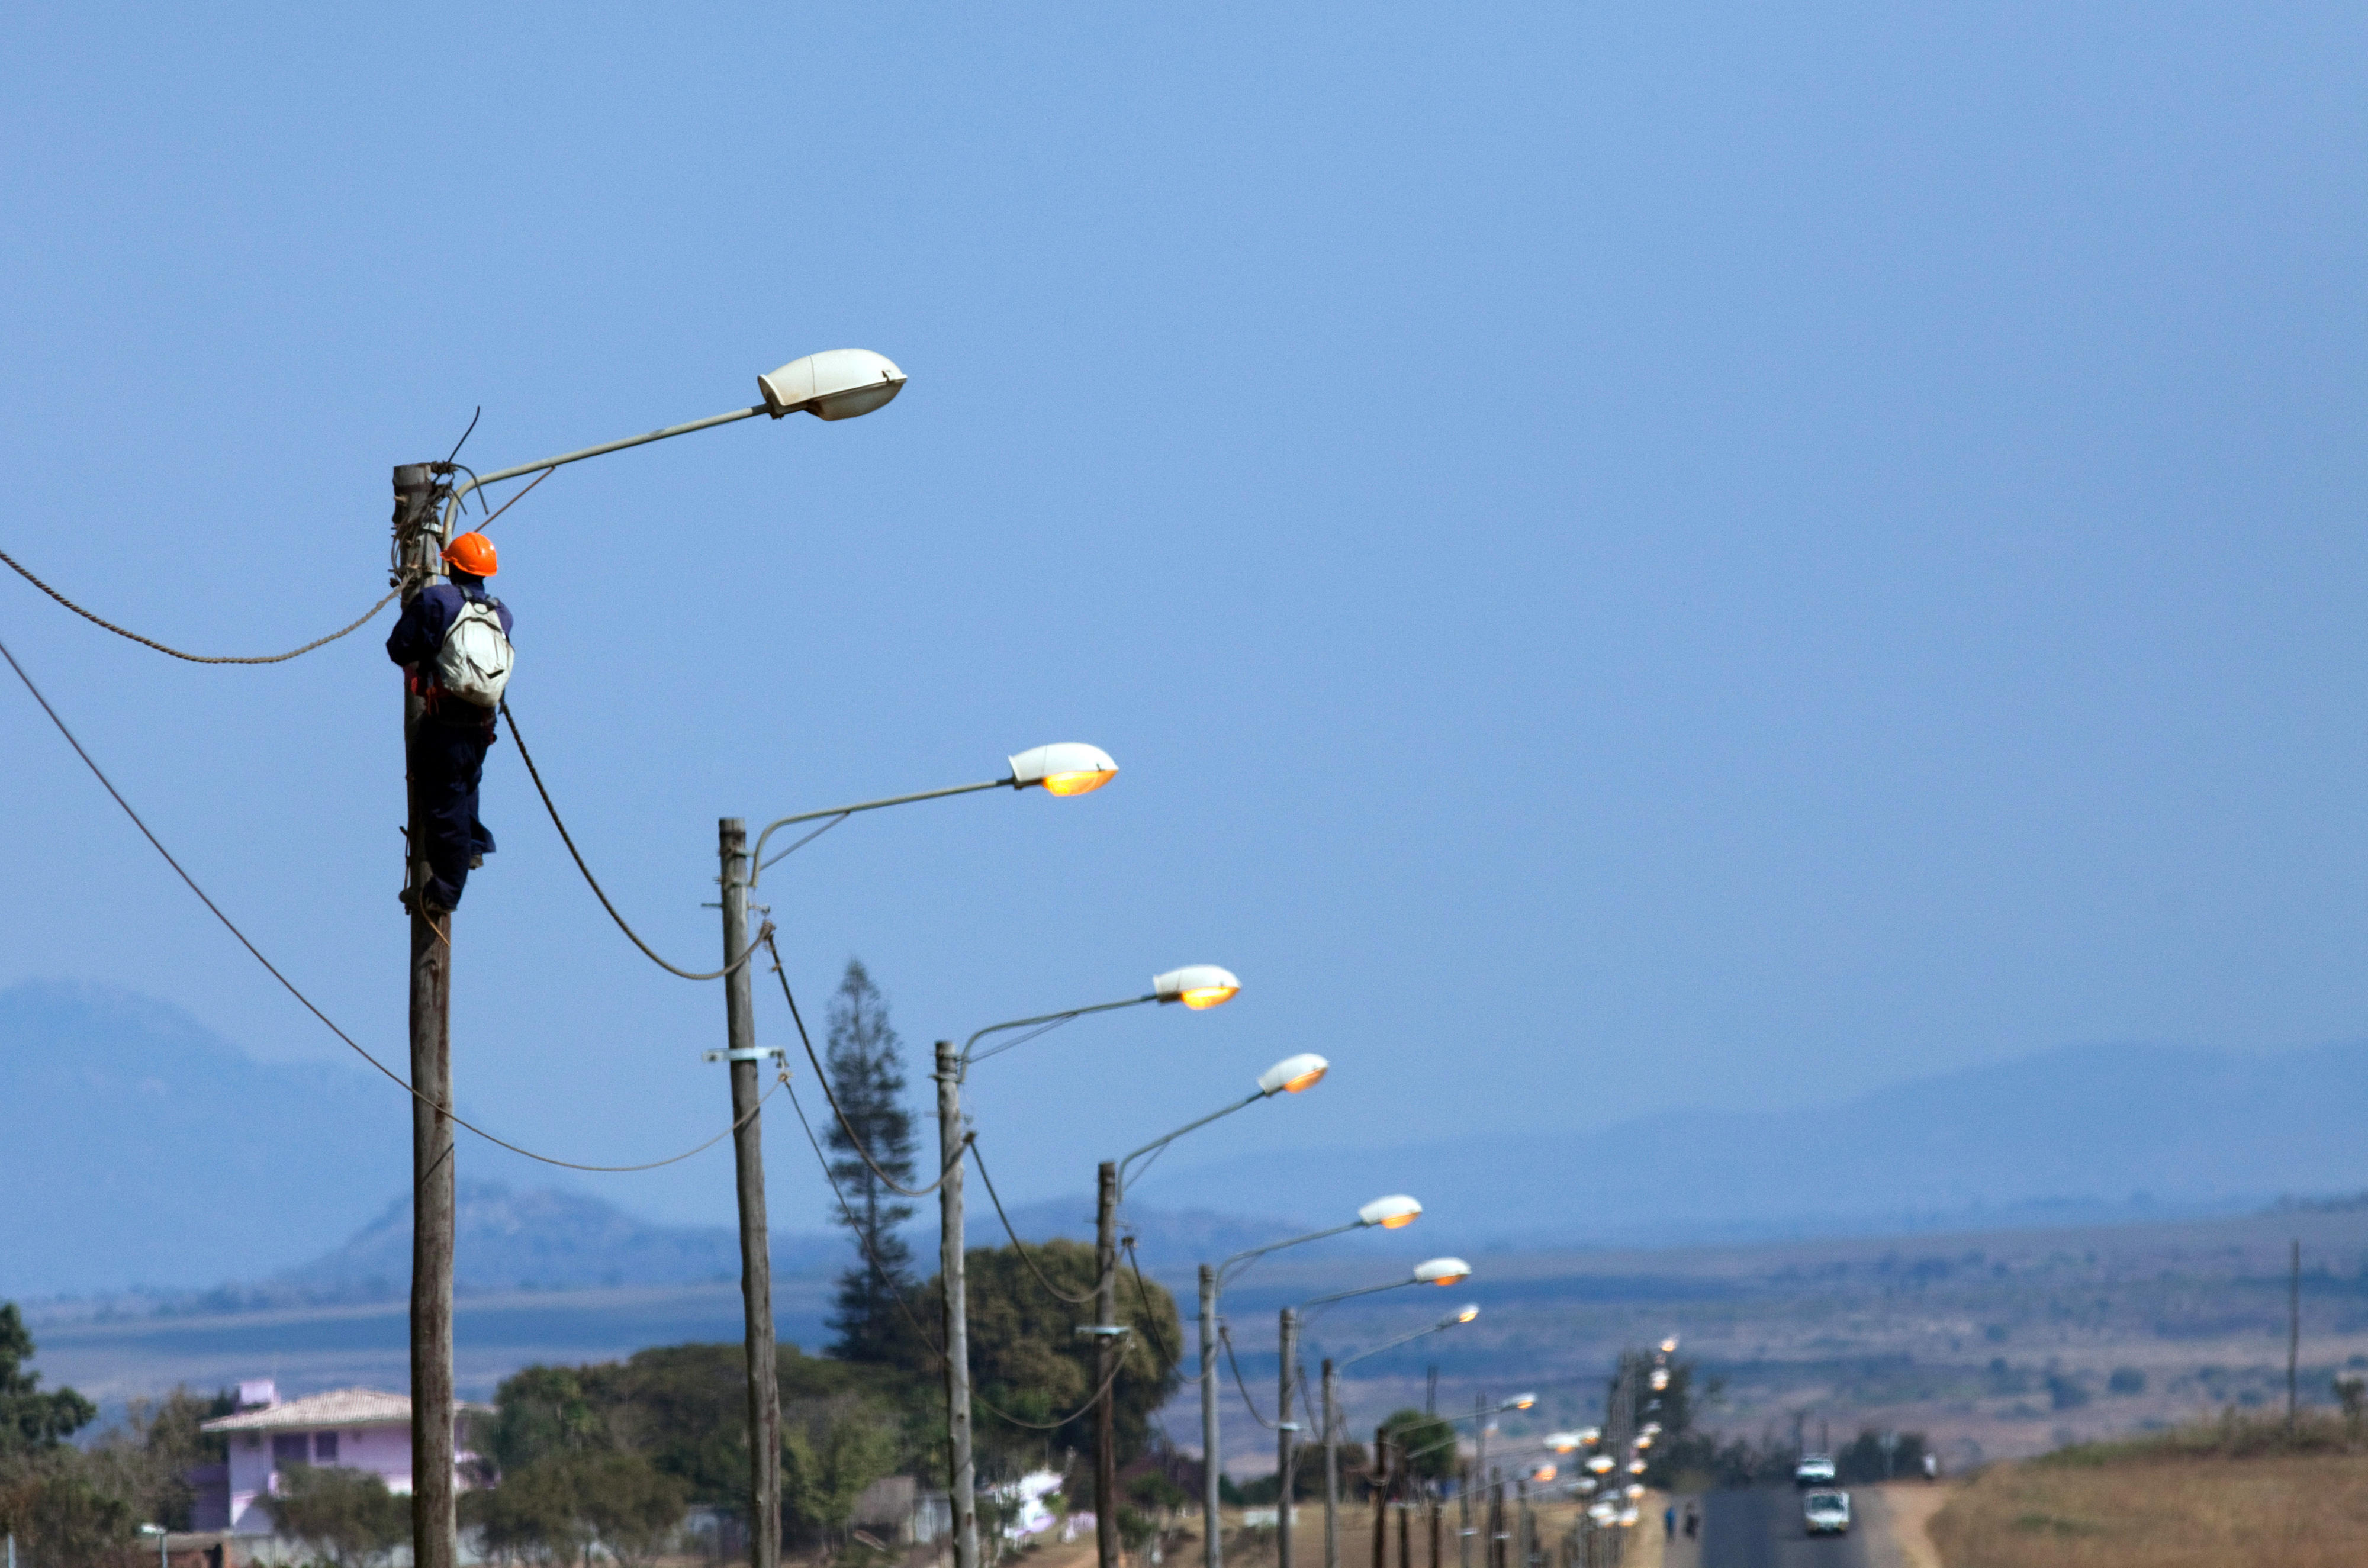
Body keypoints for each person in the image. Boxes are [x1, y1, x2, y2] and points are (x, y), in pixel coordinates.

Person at [386, 530, 514, 916]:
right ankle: (472, 847)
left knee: (444, 807)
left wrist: (426, 657)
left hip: (446, 724)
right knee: (465, 787)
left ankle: (444, 892)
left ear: (451, 565)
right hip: (480, 727)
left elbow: (398, 647)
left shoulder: (436, 600)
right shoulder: (501, 612)